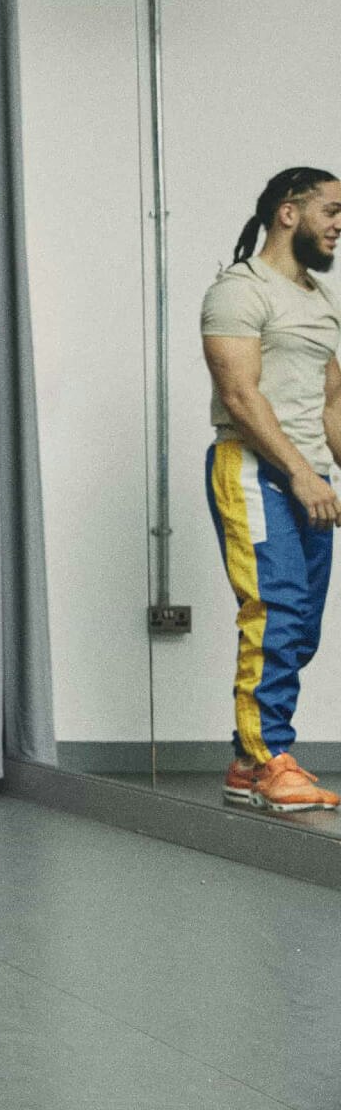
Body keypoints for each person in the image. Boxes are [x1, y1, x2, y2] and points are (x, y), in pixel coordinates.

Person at [202, 166, 341, 812]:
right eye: (332, 210)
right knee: (275, 610)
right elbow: (240, 393)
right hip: (255, 470)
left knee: (301, 627)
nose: (339, 225)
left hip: (313, 479)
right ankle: (267, 760)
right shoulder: (240, 289)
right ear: (289, 212)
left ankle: (246, 759)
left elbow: (332, 403)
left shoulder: (318, 299)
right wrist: (301, 473)